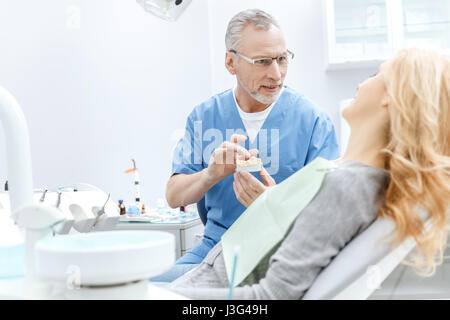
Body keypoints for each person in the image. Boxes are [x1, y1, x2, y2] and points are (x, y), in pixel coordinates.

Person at [165, 48, 450, 299]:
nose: (361, 83)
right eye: (262, 60)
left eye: (376, 75)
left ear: (391, 96)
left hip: (216, 284)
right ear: (232, 62)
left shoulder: (347, 185)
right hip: (216, 271)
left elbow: (270, 296)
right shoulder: (359, 177)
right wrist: (272, 203)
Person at [151, 9, 340, 282]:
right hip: (214, 249)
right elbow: (174, 196)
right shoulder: (205, 116)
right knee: (142, 287)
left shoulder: (312, 121)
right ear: (231, 62)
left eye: (282, 59)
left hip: (280, 251)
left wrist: (275, 204)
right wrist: (211, 174)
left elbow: (330, 215)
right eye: (263, 61)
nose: (276, 74)